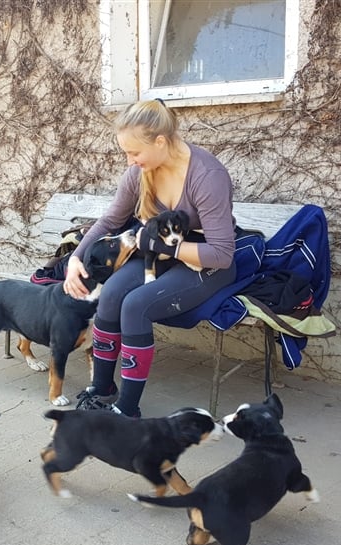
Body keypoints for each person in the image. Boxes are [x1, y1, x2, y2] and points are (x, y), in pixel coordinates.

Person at [63, 99, 237, 418]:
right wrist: (76, 256)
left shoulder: (206, 175)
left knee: (136, 303)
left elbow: (222, 254)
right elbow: (110, 220)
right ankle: (102, 389)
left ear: (160, 141)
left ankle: (127, 411)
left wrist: (163, 247)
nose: (130, 161)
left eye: (134, 153)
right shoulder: (140, 173)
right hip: (161, 256)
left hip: (206, 262)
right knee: (112, 293)